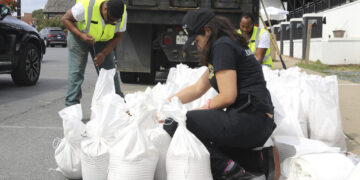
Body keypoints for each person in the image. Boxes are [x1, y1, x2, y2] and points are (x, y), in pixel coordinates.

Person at [160, 9, 279, 180]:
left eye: (197, 40)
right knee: (206, 142)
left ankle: (229, 171)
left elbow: (227, 96)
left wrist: (199, 110)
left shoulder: (222, 46)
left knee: (175, 123)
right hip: (257, 119)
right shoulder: (227, 44)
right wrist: (166, 103)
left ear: (207, 30)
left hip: (251, 119)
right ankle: (259, 161)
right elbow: (198, 87)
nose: (197, 45)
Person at [61, 0, 127, 107]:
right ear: (105, 9)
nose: (111, 23)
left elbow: (118, 35)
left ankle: (118, 104)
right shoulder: (85, 7)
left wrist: (104, 54)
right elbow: (65, 19)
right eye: (110, 19)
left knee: (109, 71)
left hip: (103, 39)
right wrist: (81, 35)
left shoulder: (122, 13)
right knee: (77, 70)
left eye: (115, 21)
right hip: (79, 36)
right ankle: (72, 107)